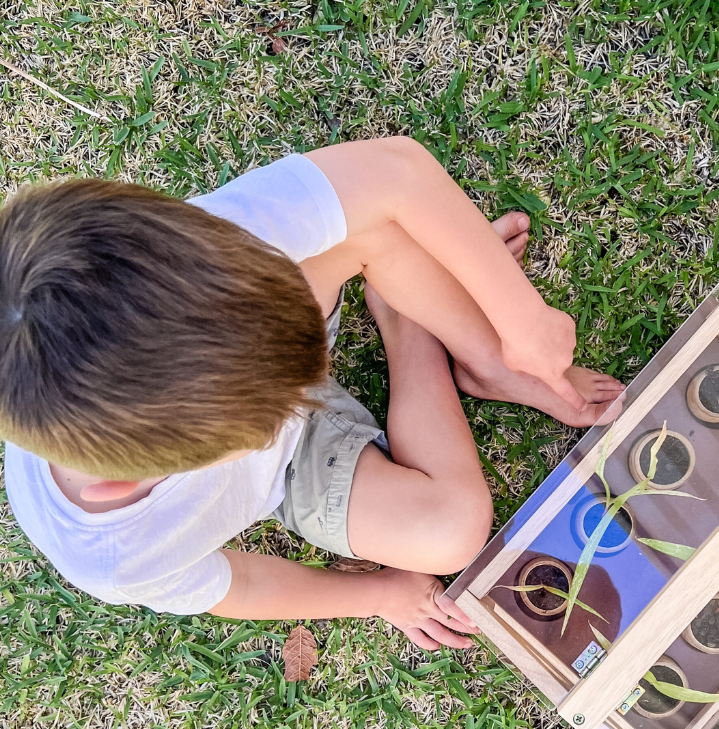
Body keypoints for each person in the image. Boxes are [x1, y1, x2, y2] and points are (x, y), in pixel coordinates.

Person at [0, 138, 624, 650]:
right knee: (453, 534)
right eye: (271, 412)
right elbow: (237, 586)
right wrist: (381, 595)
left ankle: (480, 358)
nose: (309, 389)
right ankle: (410, 324)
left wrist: (518, 328)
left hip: (255, 318)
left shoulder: (189, 257)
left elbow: (395, 172)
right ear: (122, 481)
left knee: (371, 231)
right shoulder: (115, 556)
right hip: (288, 468)